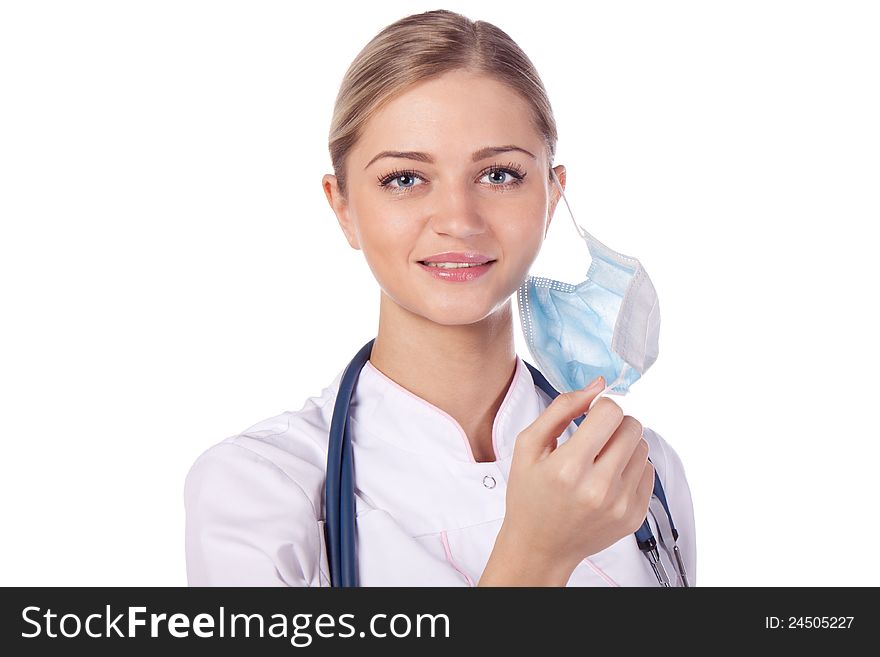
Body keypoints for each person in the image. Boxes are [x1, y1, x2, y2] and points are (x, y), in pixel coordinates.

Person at [184, 9, 696, 587]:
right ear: (342, 207)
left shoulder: (635, 471)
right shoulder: (257, 490)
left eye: (499, 174)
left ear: (552, 197)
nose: (458, 220)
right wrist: (536, 555)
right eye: (404, 178)